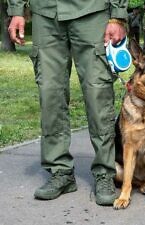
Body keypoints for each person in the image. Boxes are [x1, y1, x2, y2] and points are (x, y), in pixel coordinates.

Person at [7, 0, 127, 206]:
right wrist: (17, 10)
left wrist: (117, 15)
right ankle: (60, 170)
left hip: (92, 11)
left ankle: (105, 172)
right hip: (46, 14)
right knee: (50, 94)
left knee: (98, 93)